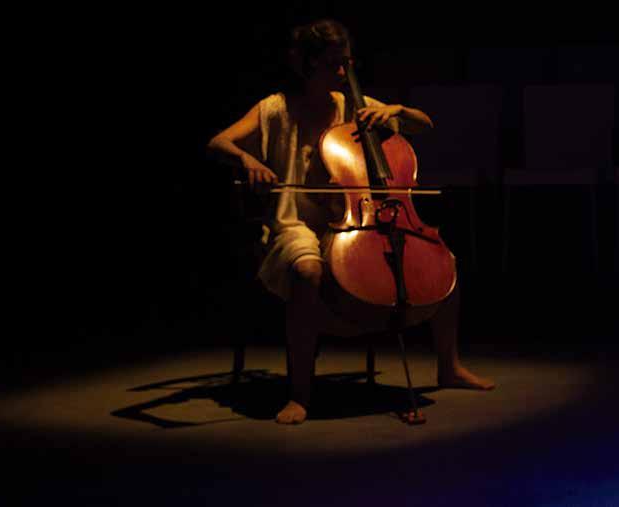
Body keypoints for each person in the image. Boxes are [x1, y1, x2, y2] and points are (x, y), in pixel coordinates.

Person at [207, 19, 494, 425]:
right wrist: (246, 159)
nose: (343, 73)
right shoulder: (275, 109)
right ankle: (300, 394)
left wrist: (398, 111)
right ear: (306, 65)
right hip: (296, 224)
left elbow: (424, 124)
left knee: (439, 259)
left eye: (346, 63)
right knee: (307, 270)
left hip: (356, 222)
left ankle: (449, 367)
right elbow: (217, 142)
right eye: (332, 64)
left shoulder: (355, 107)